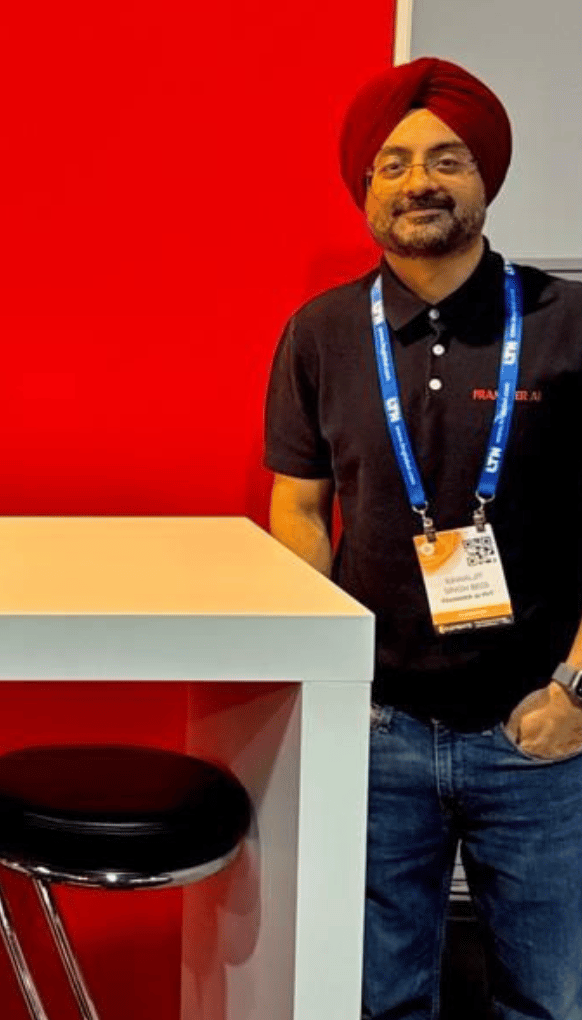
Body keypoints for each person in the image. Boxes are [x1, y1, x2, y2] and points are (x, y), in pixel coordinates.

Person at [265, 58, 582, 1020]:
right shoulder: (321, 332)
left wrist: (576, 693)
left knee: (550, 1001)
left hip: (540, 731)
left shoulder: (568, 324)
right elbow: (300, 511)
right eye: (393, 164)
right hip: (379, 731)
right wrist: (326, 678)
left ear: (486, 177)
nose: (420, 182)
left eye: (447, 159)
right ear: (366, 187)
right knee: (376, 999)